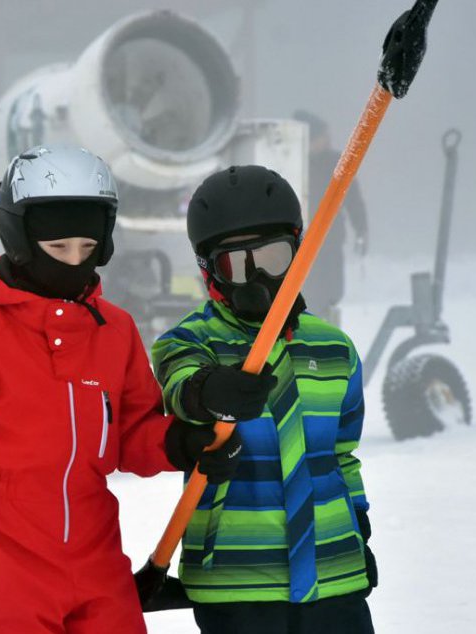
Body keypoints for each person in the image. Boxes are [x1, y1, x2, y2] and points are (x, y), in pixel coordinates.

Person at [0, 145, 242, 633]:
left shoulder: (115, 330)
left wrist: (179, 442)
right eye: (58, 249)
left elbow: (131, 433)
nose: (74, 262)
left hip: (96, 551)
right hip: (7, 554)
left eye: (87, 248)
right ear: (20, 239)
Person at [151, 165, 378, 634]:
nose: (256, 277)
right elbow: (180, 384)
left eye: (273, 257)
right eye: (235, 263)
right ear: (208, 270)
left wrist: (358, 525)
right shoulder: (191, 341)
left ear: (299, 251)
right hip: (237, 584)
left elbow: (342, 454)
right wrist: (209, 390)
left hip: (334, 573)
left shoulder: (333, 349)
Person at [293, 110, 370, 325]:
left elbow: (353, 199)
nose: (327, 141)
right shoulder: (291, 164)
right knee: (307, 295)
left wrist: (361, 229)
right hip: (299, 245)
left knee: (333, 292)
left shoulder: (338, 163)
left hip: (330, 241)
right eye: (322, 137)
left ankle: (328, 334)